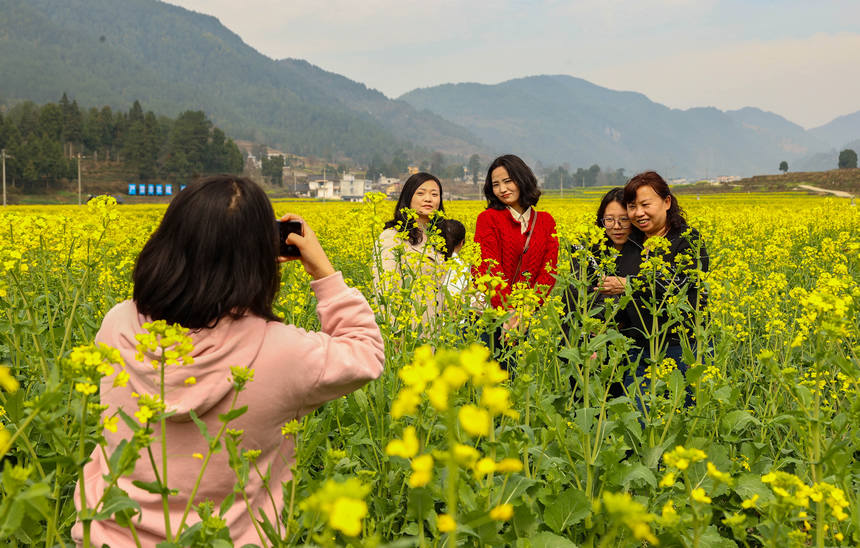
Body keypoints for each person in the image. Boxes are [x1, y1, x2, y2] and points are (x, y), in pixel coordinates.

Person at [73, 175, 385, 547]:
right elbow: (366, 352)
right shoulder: (283, 352)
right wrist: (323, 272)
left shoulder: (118, 324)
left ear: (166, 242)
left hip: (105, 538)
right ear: (262, 257)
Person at [615, 171, 709, 406]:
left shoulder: (687, 240)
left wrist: (630, 284)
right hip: (638, 350)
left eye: (645, 204)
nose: (638, 213)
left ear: (667, 202)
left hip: (681, 349)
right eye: (632, 206)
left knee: (681, 415)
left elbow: (680, 285)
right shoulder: (631, 243)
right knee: (640, 417)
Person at [474, 154, 558, 361]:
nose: (502, 189)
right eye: (496, 184)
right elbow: (487, 268)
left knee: (522, 374)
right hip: (493, 317)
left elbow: (549, 272)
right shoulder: (488, 219)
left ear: (522, 180)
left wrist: (526, 311)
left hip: (527, 318)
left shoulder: (546, 222)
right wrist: (509, 313)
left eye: (508, 181)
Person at [373, 172, 446, 327]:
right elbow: (384, 289)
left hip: (435, 331)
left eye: (434, 194)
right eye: (421, 193)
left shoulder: (438, 239)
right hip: (407, 331)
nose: (428, 199)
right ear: (408, 198)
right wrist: (393, 331)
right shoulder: (392, 236)